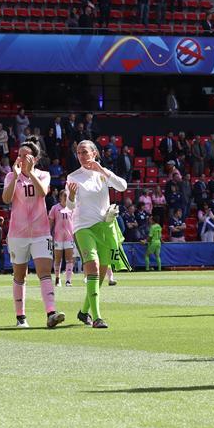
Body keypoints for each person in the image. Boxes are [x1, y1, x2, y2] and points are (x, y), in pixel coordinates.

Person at [2, 138, 66, 329]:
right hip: (17, 233)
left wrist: (30, 173)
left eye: (26, 155)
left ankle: (51, 313)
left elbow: (42, 193)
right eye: (19, 155)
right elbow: (6, 199)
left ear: (35, 158)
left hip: (40, 232)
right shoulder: (10, 176)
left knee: (44, 272)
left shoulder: (43, 175)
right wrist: (15, 176)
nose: (21, 158)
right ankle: (21, 317)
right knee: (20, 274)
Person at [66, 140, 130, 329]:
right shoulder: (73, 176)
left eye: (85, 152)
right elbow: (69, 207)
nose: (81, 155)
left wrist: (103, 170)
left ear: (94, 153)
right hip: (83, 227)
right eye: (78, 152)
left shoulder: (102, 174)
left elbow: (123, 186)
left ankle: (84, 311)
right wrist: (70, 196)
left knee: (101, 272)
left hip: (104, 227)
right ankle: (97, 317)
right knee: (92, 266)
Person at [49, 189, 76, 287]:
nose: (66, 197)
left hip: (69, 236)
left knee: (69, 259)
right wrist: (49, 234)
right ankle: (57, 278)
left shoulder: (72, 208)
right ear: (60, 197)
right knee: (58, 259)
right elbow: (51, 222)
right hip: (58, 237)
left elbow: (75, 222)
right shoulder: (55, 208)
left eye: (67, 195)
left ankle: (68, 280)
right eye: (64, 195)